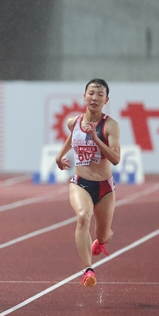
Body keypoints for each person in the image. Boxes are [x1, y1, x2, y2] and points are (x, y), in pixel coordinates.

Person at [55, 78, 121, 287]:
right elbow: (71, 137)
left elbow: (116, 159)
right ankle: (88, 270)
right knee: (83, 217)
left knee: (103, 234)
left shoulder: (110, 125)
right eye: (91, 93)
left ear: (106, 99)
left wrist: (95, 137)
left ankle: (101, 241)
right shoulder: (73, 122)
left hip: (104, 188)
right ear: (84, 96)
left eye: (100, 94)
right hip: (80, 183)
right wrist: (59, 156)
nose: (94, 97)